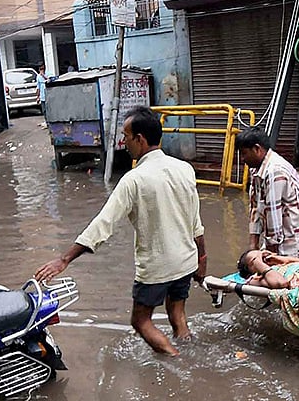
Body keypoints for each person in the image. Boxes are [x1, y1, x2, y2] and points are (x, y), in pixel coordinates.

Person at [35, 107, 206, 357]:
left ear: (140, 139)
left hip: (157, 267)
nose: (123, 142)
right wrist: (202, 260)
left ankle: (177, 360)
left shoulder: (134, 180)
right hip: (185, 260)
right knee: (177, 314)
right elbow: (196, 222)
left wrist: (65, 259)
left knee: (140, 321)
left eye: (126, 136)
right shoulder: (184, 169)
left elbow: (103, 224)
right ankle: (189, 351)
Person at [236, 128, 299, 258]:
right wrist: (253, 247)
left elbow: (273, 217)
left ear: (257, 149)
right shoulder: (256, 169)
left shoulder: (274, 171)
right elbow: (255, 208)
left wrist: (269, 259)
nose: (242, 159)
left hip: (296, 240)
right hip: (281, 236)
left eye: (244, 154)